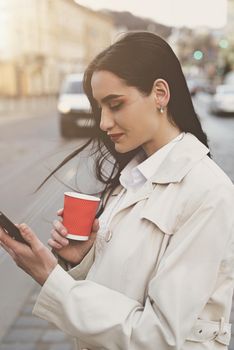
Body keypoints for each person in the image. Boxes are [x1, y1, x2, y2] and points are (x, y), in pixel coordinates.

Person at [0, 31, 234, 350]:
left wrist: (50, 278)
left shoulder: (208, 192)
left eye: (116, 104)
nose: (104, 122)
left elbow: (159, 337)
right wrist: (82, 260)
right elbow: (117, 294)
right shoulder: (133, 177)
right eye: (100, 108)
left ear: (160, 94)